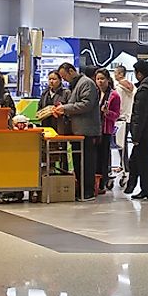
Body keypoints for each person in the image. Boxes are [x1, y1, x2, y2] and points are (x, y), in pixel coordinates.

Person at [52, 63, 101, 200]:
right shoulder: (75, 85)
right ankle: (81, 189)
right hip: (76, 131)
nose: (64, 79)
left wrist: (65, 108)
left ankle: (88, 191)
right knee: (78, 162)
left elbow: (86, 104)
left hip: (87, 131)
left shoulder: (86, 83)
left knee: (87, 163)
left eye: (64, 76)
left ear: (72, 71)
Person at [124, 60, 148, 200]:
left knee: (143, 161)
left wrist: (135, 135)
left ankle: (146, 190)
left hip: (143, 131)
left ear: (139, 74)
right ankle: (132, 185)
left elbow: (140, 114)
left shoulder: (144, 90)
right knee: (136, 159)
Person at [94, 69, 121, 195]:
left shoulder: (114, 95)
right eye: (98, 79)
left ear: (108, 80)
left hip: (105, 129)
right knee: (95, 157)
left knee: (104, 157)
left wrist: (107, 112)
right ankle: (96, 181)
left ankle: (103, 182)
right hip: (94, 129)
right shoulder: (94, 93)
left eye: (102, 79)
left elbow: (116, 114)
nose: (100, 81)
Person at [40, 70, 72, 170]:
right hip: (46, 125)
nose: (51, 81)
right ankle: (49, 172)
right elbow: (40, 108)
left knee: (62, 151)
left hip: (60, 126)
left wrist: (60, 111)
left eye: (54, 79)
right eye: (49, 79)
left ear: (60, 80)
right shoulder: (45, 93)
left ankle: (64, 172)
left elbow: (70, 108)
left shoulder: (66, 93)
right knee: (47, 151)